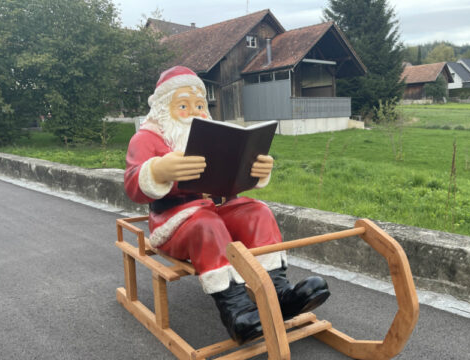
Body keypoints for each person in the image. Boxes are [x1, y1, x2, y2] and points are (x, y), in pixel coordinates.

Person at [124, 66, 330, 343]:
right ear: (163, 107)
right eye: (183, 105)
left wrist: (254, 169)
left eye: (199, 104)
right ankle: (237, 311)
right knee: (206, 225)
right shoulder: (146, 139)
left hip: (218, 207)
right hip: (175, 220)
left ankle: (278, 292)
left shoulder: (213, 135)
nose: (196, 111)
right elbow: (132, 185)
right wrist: (159, 170)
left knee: (258, 212)